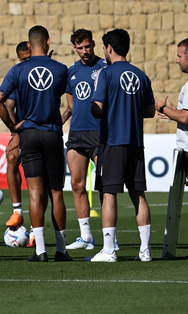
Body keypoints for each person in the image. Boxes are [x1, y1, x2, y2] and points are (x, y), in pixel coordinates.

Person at [0, 25, 70, 262]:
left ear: (28, 45)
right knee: (56, 192)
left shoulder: (18, 70)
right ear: (47, 42)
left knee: (35, 193)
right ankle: (61, 250)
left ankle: (40, 252)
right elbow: (72, 104)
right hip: (51, 133)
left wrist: (13, 127)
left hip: (29, 135)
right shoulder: (61, 70)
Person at [91, 29, 155, 262]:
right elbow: (149, 110)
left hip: (113, 142)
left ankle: (109, 250)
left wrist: (92, 106)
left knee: (109, 193)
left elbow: (97, 107)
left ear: (109, 48)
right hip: (136, 143)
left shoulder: (105, 74)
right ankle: (145, 250)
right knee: (138, 195)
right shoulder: (141, 75)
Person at [62, 29, 106, 250]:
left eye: (87, 46)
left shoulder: (104, 68)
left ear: (93, 44)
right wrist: (60, 121)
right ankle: (86, 236)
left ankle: (111, 238)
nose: (85, 51)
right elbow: (70, 105)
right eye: (80, 48)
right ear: (74, 48)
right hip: (77, 134)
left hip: (100, 134)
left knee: (106, 185)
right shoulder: (71, 71)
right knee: (76, 184)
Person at [5, 41, 31, 229]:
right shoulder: (18, 76)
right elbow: (7, 105)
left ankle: (36, 228)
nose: (27, 62)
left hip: (43, 130)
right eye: (23, 60)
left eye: (29, 58)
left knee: (37, 175)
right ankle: (17, 212)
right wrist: (15, 131)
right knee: (12, 157)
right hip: (24, 131)